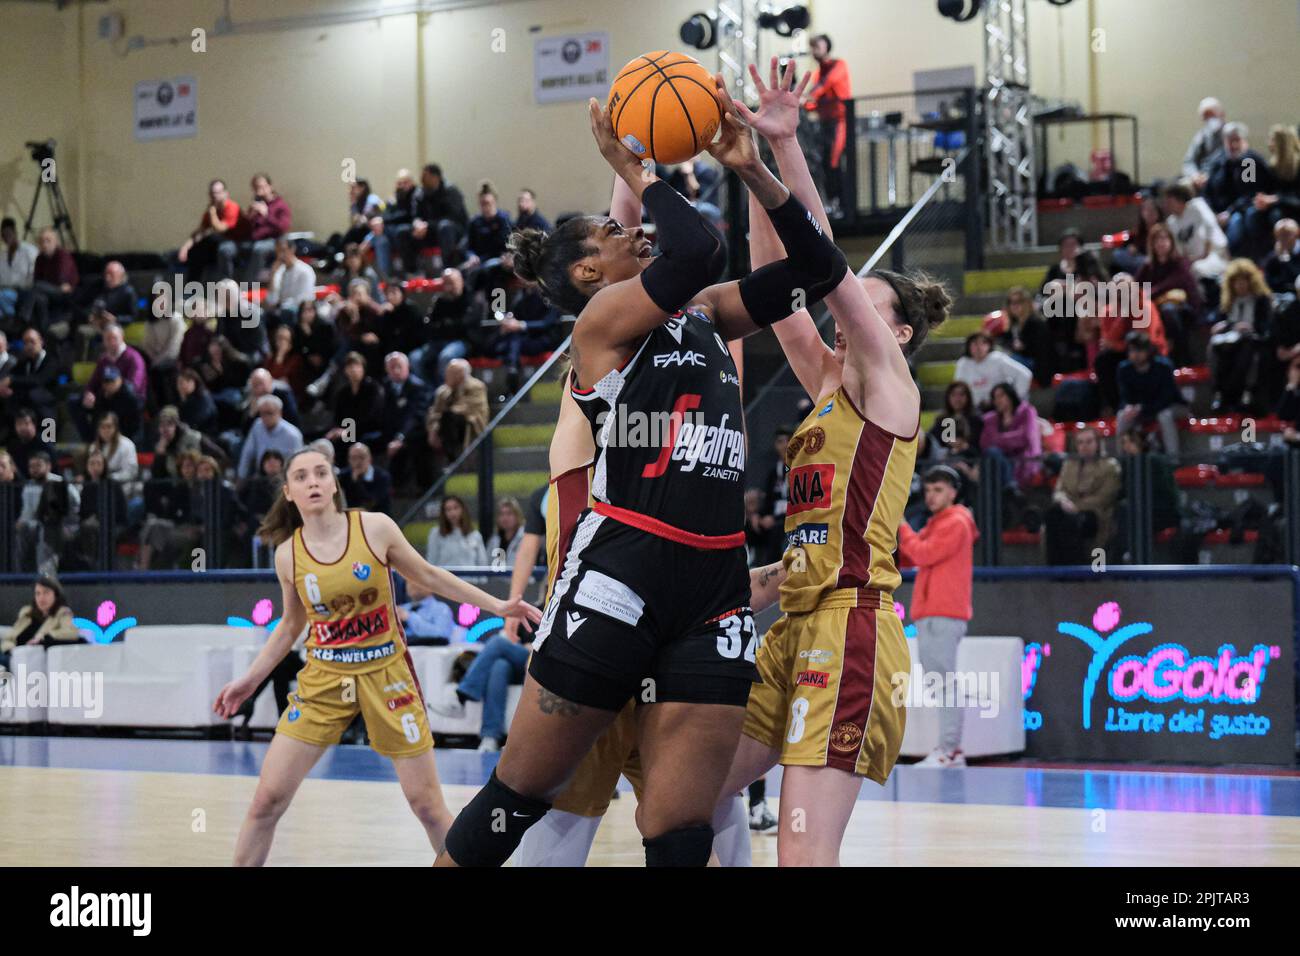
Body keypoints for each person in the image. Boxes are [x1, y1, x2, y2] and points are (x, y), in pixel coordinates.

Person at [436, 65, 851, 869]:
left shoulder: (705, 310)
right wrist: (635, 171)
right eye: (614, 234)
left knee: (679, 830)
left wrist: (754, 167)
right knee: (516, 799)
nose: (635, 233)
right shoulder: (599, 325)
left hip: (712, 584)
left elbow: (816, 270)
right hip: (622, 568)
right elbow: (699, 244)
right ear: (589, 273)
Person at [707, 59, 949, 865]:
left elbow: (820, 263)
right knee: (686, 796)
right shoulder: (820, 380)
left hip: (854, 630)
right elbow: (775, 277)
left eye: (860, 307)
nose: (840, 317)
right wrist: (749, 165)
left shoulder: (887, 385)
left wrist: (782, 150)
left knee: (803, 851)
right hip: (796, 622)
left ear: (898, 333)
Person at [213, 445, 542, 865]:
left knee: (426, 806)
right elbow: (291, 626)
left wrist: (497, 606)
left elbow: (428, 574)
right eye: (301, 477)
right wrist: (249, 680)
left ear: (334, 484)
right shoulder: (287, 555)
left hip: (387, 674)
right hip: (324, 679)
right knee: (265, 801)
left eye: (320, 473)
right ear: (289, 493)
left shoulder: (374, 529)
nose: (312, 481)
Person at [896, 465, 977, 767]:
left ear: (954, 493)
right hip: (932, 612)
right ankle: (948, 749)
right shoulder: (939, 522)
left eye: (939, 489)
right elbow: (911, 556)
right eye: (928, 489)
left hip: (943, 612)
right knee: (940, 683)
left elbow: (922, 554)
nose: (931, 495)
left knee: (944, 684)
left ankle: (950, 750)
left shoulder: (956, 521)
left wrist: (901, 525)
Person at [1044, 427, 1121, 565]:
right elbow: (1059, 491)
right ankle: (1055, 571)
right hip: (1068, 510)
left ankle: (1074, 570)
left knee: (1067, 521)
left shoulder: (1110, 466)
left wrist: (1076, 507)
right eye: (1080, 443)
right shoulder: (1069, 464)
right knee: (1053, 515)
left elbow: (1104, 498)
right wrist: (1064, 502)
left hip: (1096, 514)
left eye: (1088, 442)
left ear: (1097, 443)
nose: (1084, 446)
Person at [1209, 258, 1273, 413]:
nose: (1241, 285)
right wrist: (1226, 326)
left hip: (1254, 341)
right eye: (1237, 282)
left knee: (1246, 346)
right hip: (1228, 341)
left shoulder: (1262, 300)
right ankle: (1220, 393)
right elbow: (1218, 320)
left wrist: (1250, 328)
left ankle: (1243, 392)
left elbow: (1266, 328)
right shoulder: (1227, 301)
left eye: (1244, 281)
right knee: (1214, 346)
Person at [1135, 222, 1202, 366]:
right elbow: (1137, 290)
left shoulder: (1180, 263)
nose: (1161, 243)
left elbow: (1174, 283)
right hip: (1155, 310)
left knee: (1168, 311)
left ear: (1171, 242)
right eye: (1157, 240)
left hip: (1182, 310)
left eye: (1165, 239)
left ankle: (1182, 359)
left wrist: (1152, 293)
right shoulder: (1148, 267)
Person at [1205, 123, 1276, 257]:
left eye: (1237, 140)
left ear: (1244, 141)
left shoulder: (1248, 162)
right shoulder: (1219, 162)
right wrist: (1212, 212)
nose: (1233, 145)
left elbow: (1248, 194)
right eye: (1229, 141)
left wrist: (1229, 212)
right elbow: (1208, 191)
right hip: (1219, 211)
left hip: (1240, 210)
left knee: (1236, 224)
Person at [804, 34, 851, 217]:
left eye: (817, 46)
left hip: (840, 122)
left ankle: (841, 204)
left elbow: (825, 85)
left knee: (834, 162)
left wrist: (804, 99)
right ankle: (832, 203)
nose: (814, 50)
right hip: (825, 124)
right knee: (825, 164)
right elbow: (813, 100)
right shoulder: (818, 73)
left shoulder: (839, 65)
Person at [1117, 331, 1184, 455]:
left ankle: (1173, 459)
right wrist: (1128, 407)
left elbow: (1167, 398)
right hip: (1143, 410)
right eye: (1132, 351)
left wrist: (1141, 408)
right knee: (1122, 416)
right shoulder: (1124, 369)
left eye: (1139, 350)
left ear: (1148, 351)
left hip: (1172, 406)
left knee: (1164, 415)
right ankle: (1121, 460)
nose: (1135, 355)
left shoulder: (1163, 366)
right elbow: (1125, 396)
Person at [0, 575, 80, 671]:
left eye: (46, 593)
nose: (41, 598)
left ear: (55, 594)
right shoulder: (27, 613)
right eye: (38, 593)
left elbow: (72, 632)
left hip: (33, 663)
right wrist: (11, 650)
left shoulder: (62, 613)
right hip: (12, 657)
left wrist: (43, 637)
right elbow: (9, 638)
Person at [177, 179, 251, 283]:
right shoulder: (212, 210)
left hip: (238, 244)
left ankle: (226, 286)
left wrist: (212, 213)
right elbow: (200, 232)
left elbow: (220, 228)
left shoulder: (232, 207)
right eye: (213, 193)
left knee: (224, 249)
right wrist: (186, 247)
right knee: (197, 249)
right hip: (221, 242)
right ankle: (192, 288)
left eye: (218, 193)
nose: (215, 196)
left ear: (226, 193)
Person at [426, 358, 488, 464]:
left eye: (451, 373)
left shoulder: (476, 386)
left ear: (461, 374)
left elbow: (466, 408)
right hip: (445, 425)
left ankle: (452, 458)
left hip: (470, 423)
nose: (446, 375)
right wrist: (433, 430)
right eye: (447, 372)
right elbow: (435, 412)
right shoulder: (443, 391)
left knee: (449, 417)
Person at [1164, 182, 1229, 282]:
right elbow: (1179, 250)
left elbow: (1210, 226)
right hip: (1192, 261)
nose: (1167, 205)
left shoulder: (1197, 206)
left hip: (1215, 255)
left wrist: (1204, 254)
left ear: (1180, 199)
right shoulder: (1171, 222)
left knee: (1196, 270)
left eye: (1170, 201)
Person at [981, 382, 1042, 489]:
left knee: (995, 453)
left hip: (1023, 460)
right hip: (1000, 462)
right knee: (993, 453)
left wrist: (998, 439)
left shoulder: (1027, 411)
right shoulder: (990, 419)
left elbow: (1025, 438)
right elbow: (985, 443)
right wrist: (1010, 440)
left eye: (1001, 395)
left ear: (1011, 395)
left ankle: (1011, 488)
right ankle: (1010, 488)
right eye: (995, 397)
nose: (997, 400)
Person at [983, 287, 1051, 383]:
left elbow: (1042, 351)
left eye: (1019, 302)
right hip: (1020, 361)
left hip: (1036, 365)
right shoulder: (1014, 324)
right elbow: (1006, 341)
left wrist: (1024, 347)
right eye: (1011, 302)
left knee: (1004, 360)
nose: (1014, 305)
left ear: (1027, 303)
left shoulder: (1036, 323)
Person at [954, 331, 1032, 409]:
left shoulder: (998, 359)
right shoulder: (963, 363)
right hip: (974, 408)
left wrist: (1015, 399)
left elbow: (1024, 374)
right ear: (968, 347)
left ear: (989, 345)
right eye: (975, 343)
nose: (979, 347)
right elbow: (959, 388)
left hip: (1000, 408)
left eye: (983, 343)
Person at [237, 394, 303, 480]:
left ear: (279, 412)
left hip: (284, 478)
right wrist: (241, 477)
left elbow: (298, 464)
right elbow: (247, 453)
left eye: (269, 413)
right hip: (261, 477)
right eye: (262, 413)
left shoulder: (293, 435)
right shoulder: (257, 426)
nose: (266, 417)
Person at [243, 173, 292, 281]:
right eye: (256, 188)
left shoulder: (281, 205)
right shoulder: (257, 204)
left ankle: (248, 285)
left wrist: (266, 214)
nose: (259, 190)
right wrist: (250, 216)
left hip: (274, 241)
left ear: (270, 186)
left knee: (259, 249)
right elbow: (247, 227)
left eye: (262, 187)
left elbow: (283, 228)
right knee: (230, 247)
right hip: (254, 239)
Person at [424, 494, 486, 568]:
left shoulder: (475, 535)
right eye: (448, 509)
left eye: (456, 508)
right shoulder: (435, 534)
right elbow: (431, 562)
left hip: (470, 579)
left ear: (463, 509)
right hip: (445, 578)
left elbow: (482, 564)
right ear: (444, 513)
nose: (453, 513)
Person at [0, 218, 37, 330]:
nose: (7, 237)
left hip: (24, 291)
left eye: (9, 233)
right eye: (3, 235)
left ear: (15, 232)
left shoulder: (29, 251)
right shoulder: (3, 255)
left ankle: (12, 321)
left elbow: (33, 276)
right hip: (6, 290)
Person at [1182, 97, 1226, 187]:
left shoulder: (1229, 135)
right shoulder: (1201, 136)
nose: (1210, 120)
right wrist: (1195, 175)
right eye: (1206, 117)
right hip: (1201, 178)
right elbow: (1188, 161)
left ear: (1221, 114)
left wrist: (1211, 176)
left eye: (1212, 115)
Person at [337, 442, 391, 515]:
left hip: (377, 517)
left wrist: (357, 482)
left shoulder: (382, 477)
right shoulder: (343, 475)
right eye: (354, 458)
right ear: (349, 460)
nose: (358, 462)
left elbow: (370, 503)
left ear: (370, 458)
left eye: (362, 457)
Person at [486, 496, 525, 568]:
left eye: (509, 513)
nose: (505, 518)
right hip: (497, 579)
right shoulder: (494, 540)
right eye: (501, 514)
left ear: (517, 516)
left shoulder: (525, 539)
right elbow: (487, 566)